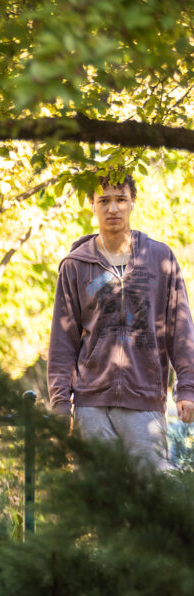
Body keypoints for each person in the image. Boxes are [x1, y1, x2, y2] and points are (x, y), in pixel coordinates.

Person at [47, 173, 194, 471]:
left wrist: (187, 388)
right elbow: (62, 341)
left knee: (150, 503)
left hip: (144, 403)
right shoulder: (74, 266)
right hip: (90, 407)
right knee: (98, 504)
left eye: (120, 199)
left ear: (132, 203)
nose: (113, 208)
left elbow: (180, 330)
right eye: (104, 200)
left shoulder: (161, 258)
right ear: (92, 205)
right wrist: (61, 403)